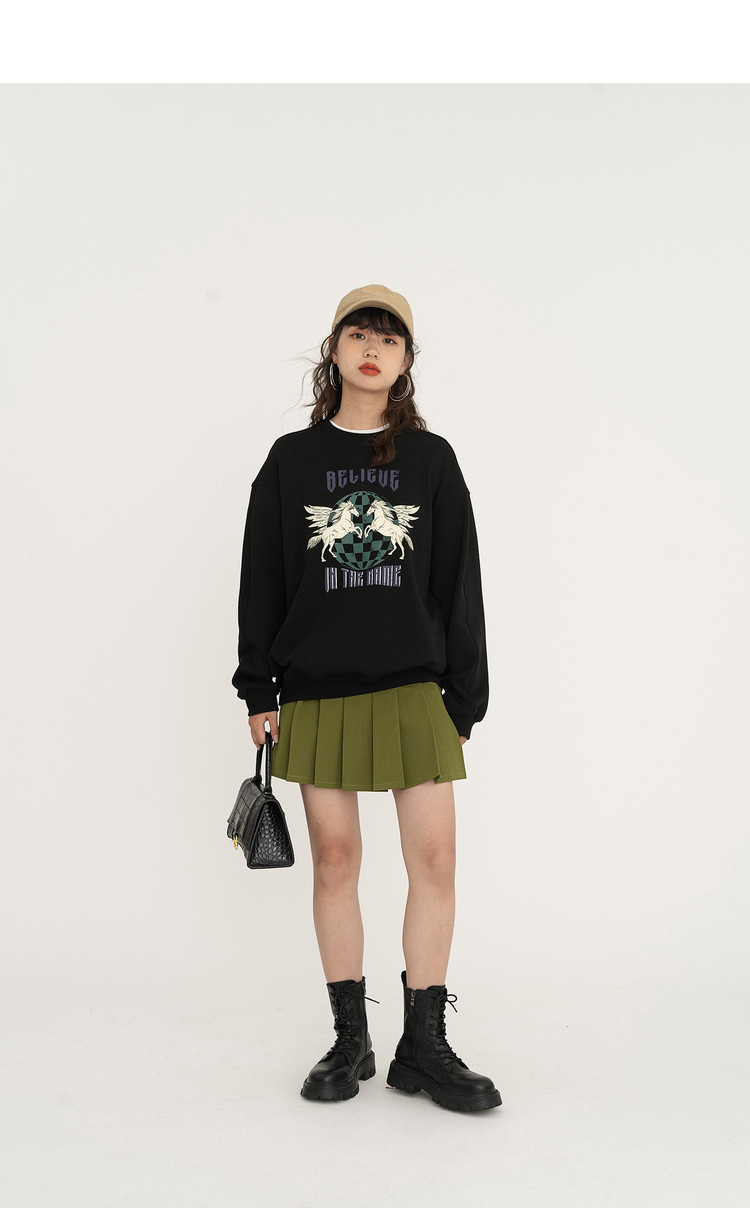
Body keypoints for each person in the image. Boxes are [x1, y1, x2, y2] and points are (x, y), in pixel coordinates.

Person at [231, 283, 501, 1112]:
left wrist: (464, 697)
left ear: (408, 360)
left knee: (437, 862)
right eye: (359, 333)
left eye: (390, 337)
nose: (373, 348)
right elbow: (262, 577)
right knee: (336, 861)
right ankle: (351, 1040)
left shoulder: (431, 460)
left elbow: (458, 581)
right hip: (318, 690)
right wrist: (257, 686)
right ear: (335, 350)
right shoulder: (291, 460)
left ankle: (425, 1046)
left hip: (416, 688)